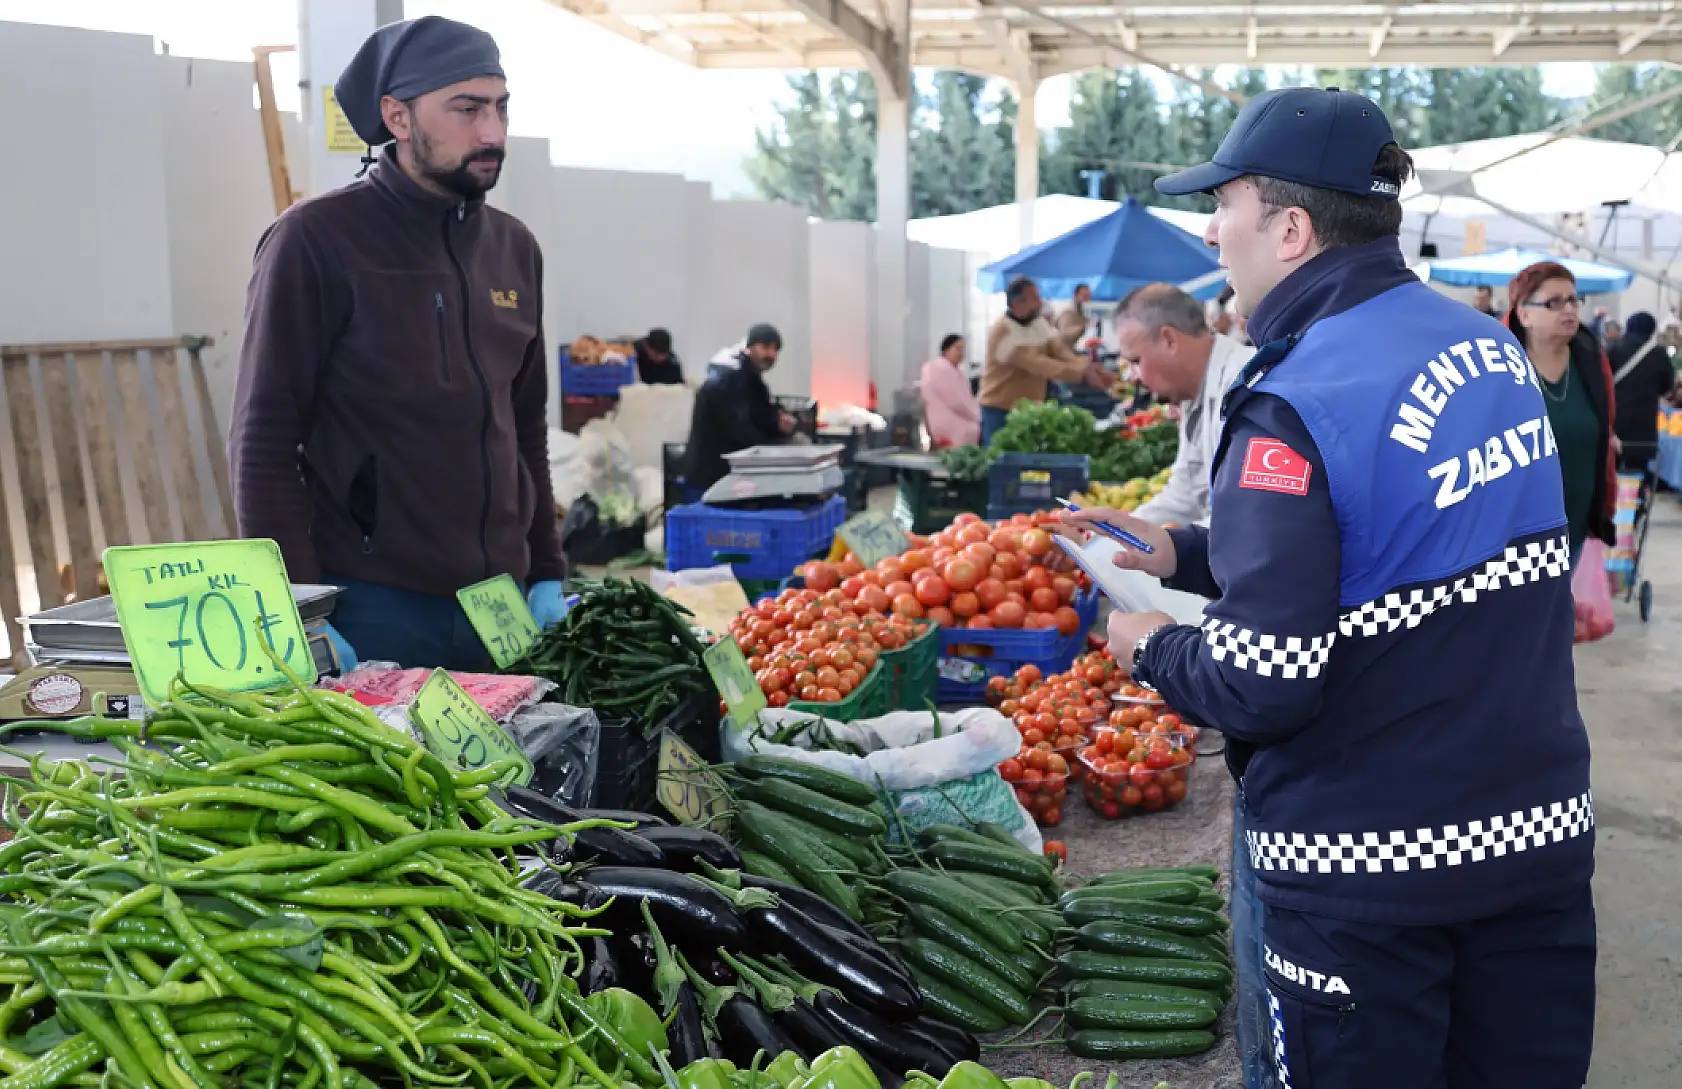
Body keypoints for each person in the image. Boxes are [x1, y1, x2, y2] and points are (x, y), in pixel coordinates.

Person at [1066, 87, 1595, 1089]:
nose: (1211, 232)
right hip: (1532, 841)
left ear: (1291, 230)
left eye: (1223, 204)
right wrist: (1183, 552)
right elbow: (1404, 540)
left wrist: (1147, 646)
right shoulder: (1487, 349)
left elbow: (1263, 680)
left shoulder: (1294, 394)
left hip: (1371, 874)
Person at [228, 16, 566, 672]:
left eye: (500, 107)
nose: (492, 133)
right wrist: (298, 608)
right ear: (397, 116)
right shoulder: (316, 241)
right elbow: (262, 443)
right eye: (466, 109)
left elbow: (524, 428)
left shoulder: (514, 249)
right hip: (371, 605)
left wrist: (547, 567)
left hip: (501, 606)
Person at [1114, 284, 1252, 527]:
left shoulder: (1247, 387)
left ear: (1169, 340)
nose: (1132, 377)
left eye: (1136, 361)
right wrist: (1114, 536)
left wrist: (1170, 543)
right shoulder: (1194, 393)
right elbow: (1185, 496)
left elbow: (1247, 516)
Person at [1505, 261, 1617, 561]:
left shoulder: (1592, 362)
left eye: (1572, 300)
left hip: (1576, 524)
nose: (1569, 309)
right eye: (1553, 303)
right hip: (1513, 533)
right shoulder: (1499, 368)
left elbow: (1604, 432)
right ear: (1524, 314)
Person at [980, 277, 1109, 445]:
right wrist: (1082, 373)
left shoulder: (1038, 323)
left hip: (1029, 409)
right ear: (1017, 304)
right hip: (999, 411)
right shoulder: (1002, 332)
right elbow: (1040, 364)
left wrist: (1088, 366)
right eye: (1035, 298)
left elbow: (1060, 351)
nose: (1040, 303)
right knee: (1000, 458)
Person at [685, 323, 793, 489]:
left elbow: (762, 414)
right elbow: (739, 428)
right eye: (766, 347)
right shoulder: (726, 378)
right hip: (714, 475)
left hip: (732, 469)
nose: (771, 354)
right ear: (749, 347)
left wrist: (778, 424)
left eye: (776, 350)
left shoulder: (749, 377)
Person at [1609, 312, 1673, 473]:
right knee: (1637, 473)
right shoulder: (1659, 354)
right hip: (1643, 427)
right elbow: (1667, 387)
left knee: (1610, 471)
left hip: (1615, 424)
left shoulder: (1614, 349)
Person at [919, 334, 981, 448]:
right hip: (951, 423)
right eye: (958, 348)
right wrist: (978, 416)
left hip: (942, 422)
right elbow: (956, 402)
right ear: (946, 349)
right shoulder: (942, 369)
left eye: (963, 349)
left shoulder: (946, 369)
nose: (961, 353)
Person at [1057, 284, 1093, 349]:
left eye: (1089, 296)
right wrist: (1083, 327)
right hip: (1066, 350)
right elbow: (1064, 334)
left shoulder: (1083, 312)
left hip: (1079, 348)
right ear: (1075, 296)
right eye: (1084, 296)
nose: (1087, 299)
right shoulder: (1068, 312)